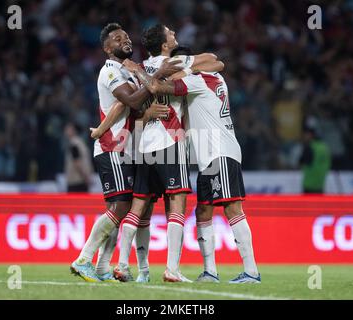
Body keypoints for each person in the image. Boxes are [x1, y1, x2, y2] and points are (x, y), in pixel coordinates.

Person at [123, 45, 261, 283]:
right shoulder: (209, 77)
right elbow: (217, 61)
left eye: (174, 68)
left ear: (184, 66)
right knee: (202, 211)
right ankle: (210, 272)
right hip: (207, 157)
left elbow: (155, 87)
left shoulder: (197, 81)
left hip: (221, 152)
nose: (172, 73)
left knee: (232, 208)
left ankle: (251, 271)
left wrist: (138, 69)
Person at [70, 23, 181, 283]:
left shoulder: (129, 72)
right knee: (120, 206)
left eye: (127, 37)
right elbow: (130, 101)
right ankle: (83, 259)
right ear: (107, 48)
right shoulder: (110, 71)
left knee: (124, 208)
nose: (125, 41)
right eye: (118, 39)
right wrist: (156, 81)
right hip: (113, 147)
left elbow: (133, 108)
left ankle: (102, 267)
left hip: (129, 147)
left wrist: (146, 108)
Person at [113, 24, 224, 283]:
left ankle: (122, 265)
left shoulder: (141, 67)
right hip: (170, 141)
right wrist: (193, 66)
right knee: (177, 205)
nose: (175, 34)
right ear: (164, 45)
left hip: (143, 144)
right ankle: (172, 269)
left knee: (138, 207)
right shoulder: (175, 62)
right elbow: (215, 61)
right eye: (171, 34)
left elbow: (133, 104)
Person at [300, 126, 331, 194]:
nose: (303, 137)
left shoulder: (310, 147)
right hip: (320, 183)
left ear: (310, 135)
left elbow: (303, 162)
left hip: (310, 184)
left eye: (305, 134)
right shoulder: (324, 147)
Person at [64, 123, 93, 192]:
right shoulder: (80, 142)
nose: (66, 131)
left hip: (76, 181)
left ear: (74, 131)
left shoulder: (74, 144)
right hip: (81, 180)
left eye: (68, 129)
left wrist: (86, 178)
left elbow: (77, 162)